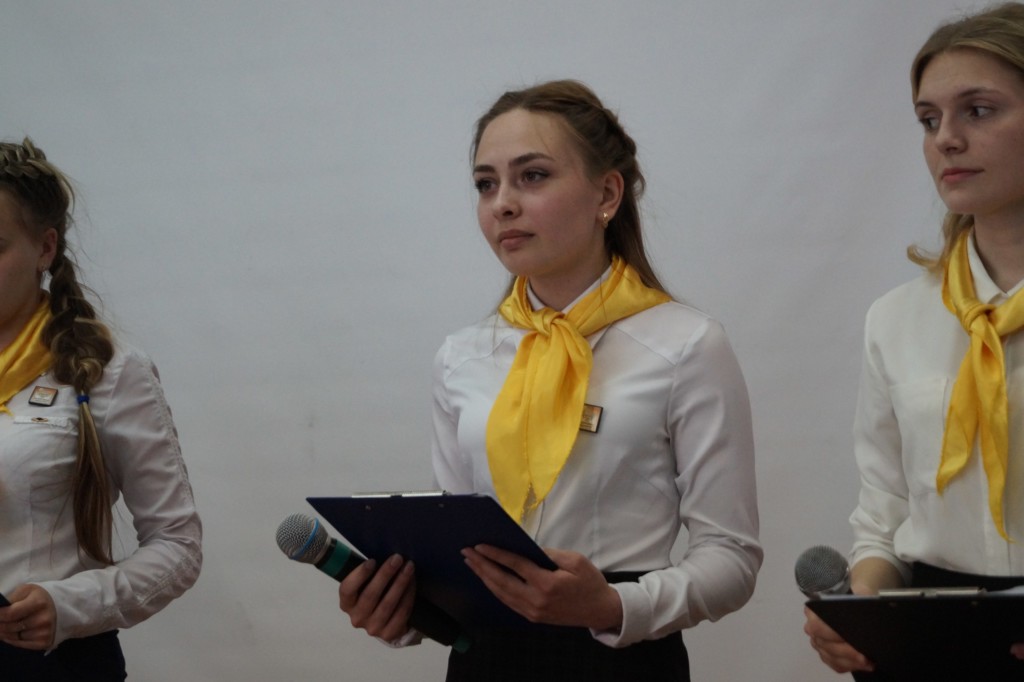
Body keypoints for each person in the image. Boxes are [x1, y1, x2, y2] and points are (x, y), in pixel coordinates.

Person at [338, 80, 762, 681]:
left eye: (532, 176)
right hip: (486, 662)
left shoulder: (686, 345)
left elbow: (732, 556)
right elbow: (455, 553)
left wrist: (613, 606)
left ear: (606, 194)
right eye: (486, 184)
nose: (502, 204)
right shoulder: (463, 356)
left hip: (620, 661)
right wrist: (402, 609)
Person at [803, 3, 1024, 678]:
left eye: (978, 111)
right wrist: (859, 608)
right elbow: (886, 515)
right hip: (930, 647)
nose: (946, 139)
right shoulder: (896, 319)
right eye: (929, 120)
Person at [0, 138, 202, 681]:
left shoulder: (109, 370)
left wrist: (72, 604)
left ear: (45, 248)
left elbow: (178, 545)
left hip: (49, 664)